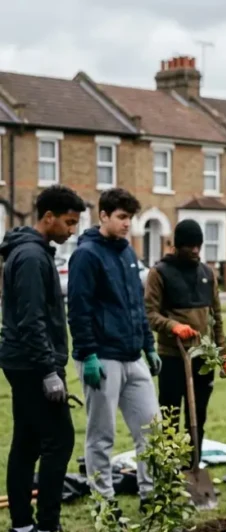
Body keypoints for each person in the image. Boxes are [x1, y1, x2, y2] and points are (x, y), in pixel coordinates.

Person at [0, 184, 87, 532]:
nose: (72, 230)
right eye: (68, 222)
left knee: (26, 443)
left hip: (23, 362)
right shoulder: (33, 258)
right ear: (47, 217)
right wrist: (49, 372)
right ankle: (49, 531)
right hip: (34, 365)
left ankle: (22, 530)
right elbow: (31, 320)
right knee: (59, 440)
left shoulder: (30, 252)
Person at [67, 188, 162, 515]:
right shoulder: (86, 255)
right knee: (101, 435)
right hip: (102, 357)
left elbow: (137, 304)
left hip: (132, 356)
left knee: (153, 429)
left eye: (130, 218)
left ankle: (152, 496)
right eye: (121, 217)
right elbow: (78, 309)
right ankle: (105, 504)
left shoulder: (126, 253)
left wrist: (148, 347)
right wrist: (88, 354)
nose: (127, 224)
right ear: (103, 216)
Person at [145, 220, 226, 457]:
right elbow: (150, 313)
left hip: (203, 357)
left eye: (198, 246)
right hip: (173, 355)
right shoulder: (159, 273)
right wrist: (173, 326)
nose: (195, 251)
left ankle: (193, 461)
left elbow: (217, 316)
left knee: (198, 413)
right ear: (177, 246)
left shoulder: (207, 274)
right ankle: (171, 465)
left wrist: (222, 353)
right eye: (189, 246)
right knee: (171, 412)